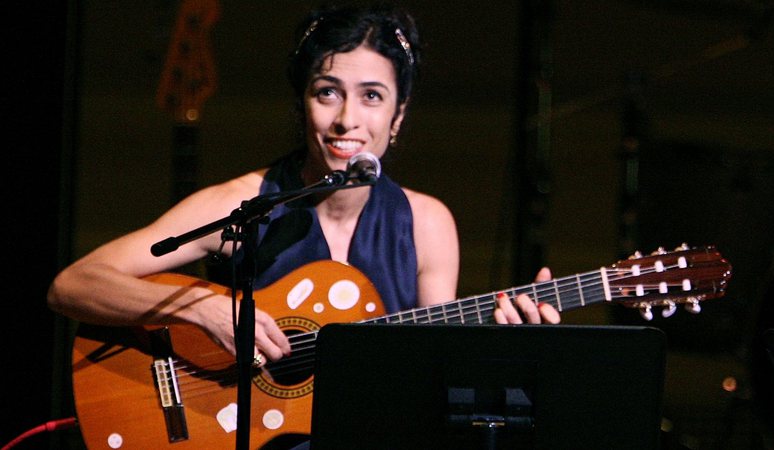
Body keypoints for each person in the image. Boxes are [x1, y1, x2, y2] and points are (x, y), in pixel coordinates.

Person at [48, 3, 560, 448]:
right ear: (303, 103)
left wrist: (511, 340)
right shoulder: (242, 201)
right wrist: (203, 309)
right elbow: (72, 284)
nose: (347, 121)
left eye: (373, 96)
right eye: (328, 92)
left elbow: (433, 375)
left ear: (399, 116)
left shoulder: (426, 222)